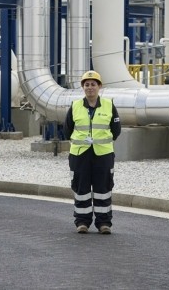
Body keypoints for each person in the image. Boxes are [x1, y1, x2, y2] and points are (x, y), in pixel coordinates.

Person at [64, 70, 121, 234]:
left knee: (103, 189)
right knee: (81, 189)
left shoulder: (109, 105)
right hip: (80, 154)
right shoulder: (75, 106)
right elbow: (67, 130)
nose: (90, 87)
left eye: (93, 84)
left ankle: (104, 223)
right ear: (83, 87)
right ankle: (82, 222)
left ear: (99, 86)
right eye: (87, 85)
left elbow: (116, 130)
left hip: (103, 154)